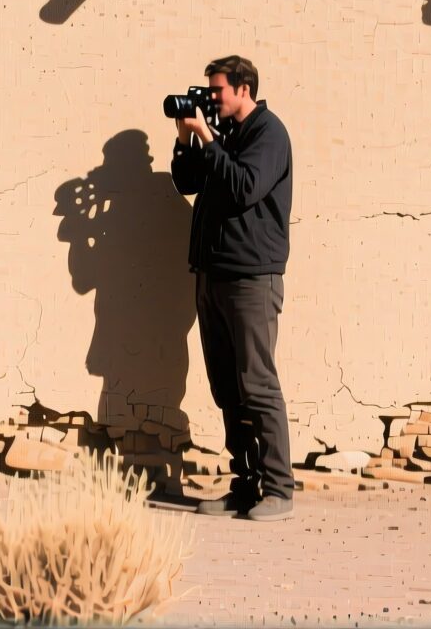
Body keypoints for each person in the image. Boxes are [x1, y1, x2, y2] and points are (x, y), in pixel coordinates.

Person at [169, 54, 296, 521]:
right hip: (212, 275)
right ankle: (246, 487)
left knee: (257, 385)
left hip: (251, 278)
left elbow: (245, 187)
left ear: (244, 89)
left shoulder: (269, 134)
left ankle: (279, 490)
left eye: (217, 91)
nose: (211, 99)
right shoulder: (223, 135)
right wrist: (187, 139)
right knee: (227, 388)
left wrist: (206, 136)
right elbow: (186, 182)